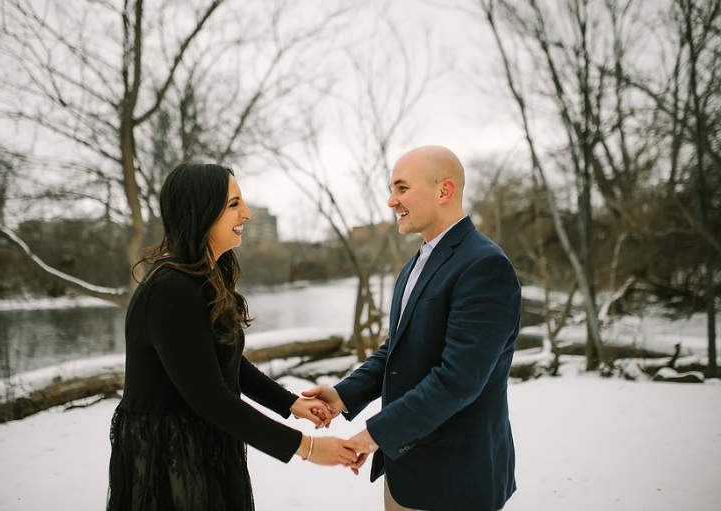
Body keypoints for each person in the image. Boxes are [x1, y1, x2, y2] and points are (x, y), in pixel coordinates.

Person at [107, 162, 374, 511]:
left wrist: (291, 403)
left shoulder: (202, 277)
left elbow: (224, 360)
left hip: (203, 439)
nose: (246, 213)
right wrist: (306, 448)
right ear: (199, 211)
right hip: (169, 453)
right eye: (234, 204)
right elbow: (211, 397)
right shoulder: (170, 288)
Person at [304, 145, 522, 510]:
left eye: (402, 188)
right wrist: (343, 395)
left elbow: (458, 381)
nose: (392, 201)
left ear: (444, 191)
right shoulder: (417, 261)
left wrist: (375, 434)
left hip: (456, 479)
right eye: (392, 189)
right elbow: (398, 348)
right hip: (405, 470)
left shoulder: (485, 266)